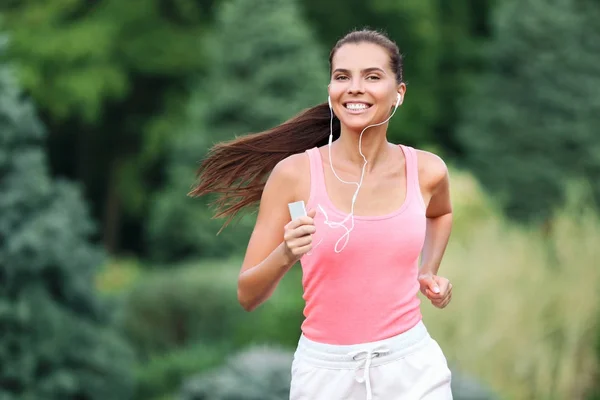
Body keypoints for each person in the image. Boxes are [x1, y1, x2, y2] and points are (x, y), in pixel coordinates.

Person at [190, 29, 454, 400]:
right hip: (326, 377)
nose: (355, 87)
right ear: (330, 89)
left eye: (372, 77)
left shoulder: (427, 170)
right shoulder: (294, 175)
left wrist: (428, 270)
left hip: (411, 369)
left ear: (399, 93)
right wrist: (286, 253)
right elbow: (247, 294)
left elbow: (440, 213)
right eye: (342, 76)